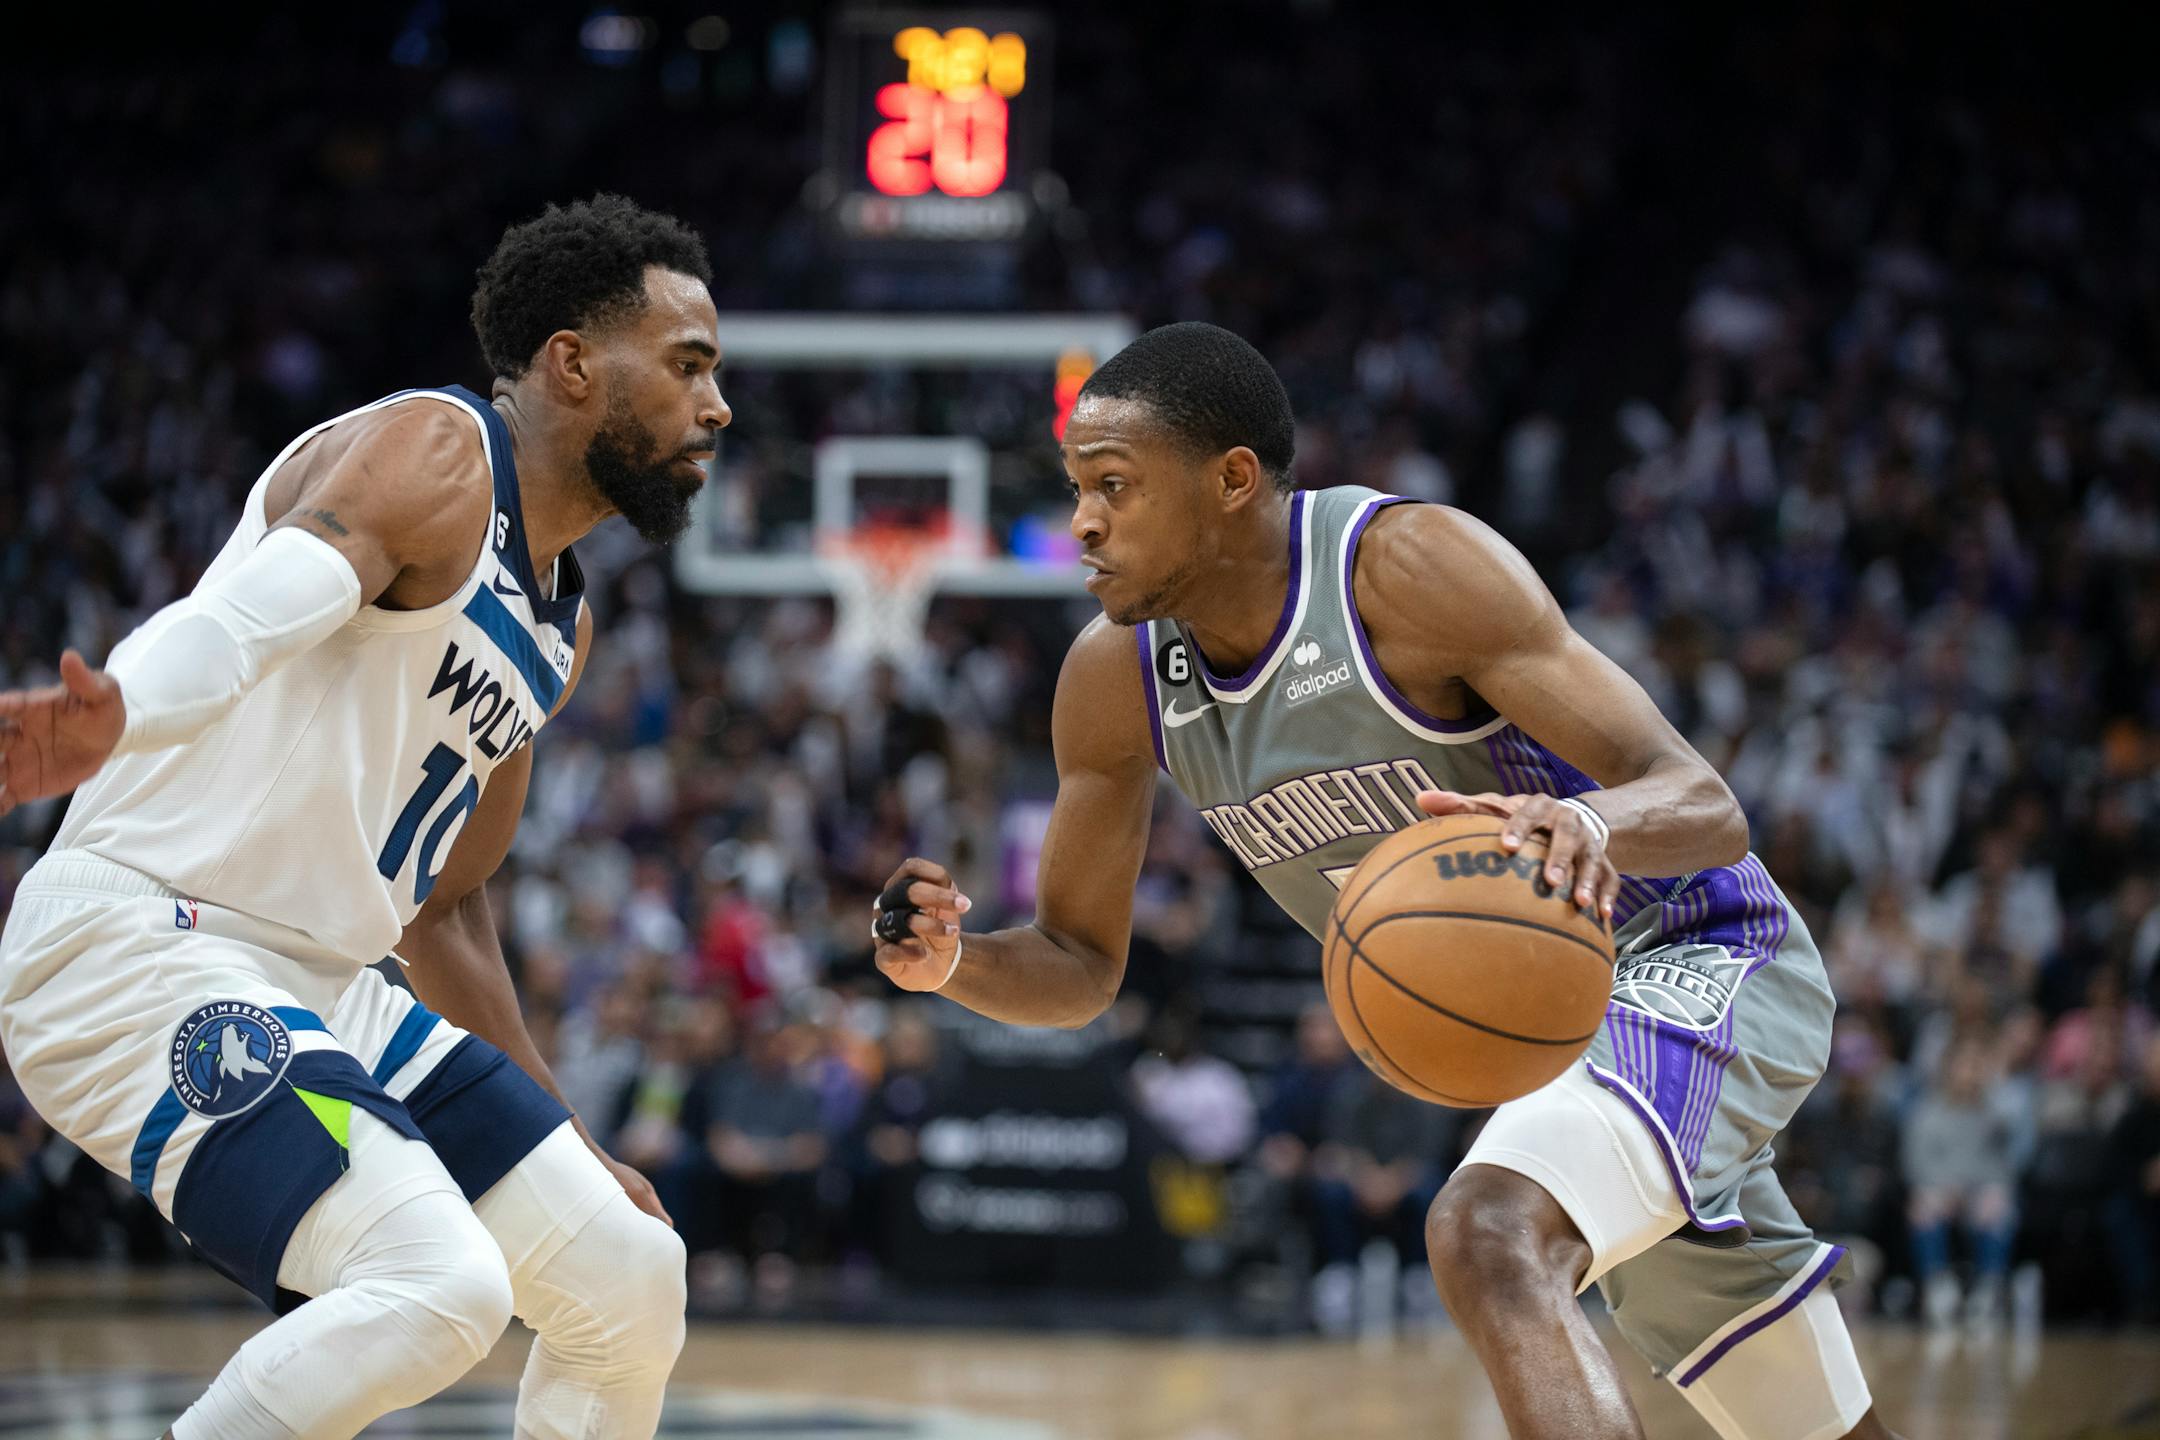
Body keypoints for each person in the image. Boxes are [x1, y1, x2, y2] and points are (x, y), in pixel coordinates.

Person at [871, 322, 1903, 1439]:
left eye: (1114, 486)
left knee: (1488, 1230)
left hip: (1701, 952)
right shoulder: (1114, 679)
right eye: (1076, 489)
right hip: (1563, 1036)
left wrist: (1577, 822)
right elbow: (1078, 967)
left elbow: (1702, 802)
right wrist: (958, 963)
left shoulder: (1404, 571)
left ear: (1231, 481)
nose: (1082, 521)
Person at [0, 194, 729, 1438]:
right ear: (570, 364)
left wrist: (564, 1134)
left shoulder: (560, 625)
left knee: (629, 1277)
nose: (716, 407)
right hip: (142, 943)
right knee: (436, 1288)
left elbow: (448, 908)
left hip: (329, 982)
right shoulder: (437, 450)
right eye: (687, 366)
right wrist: (119, 709)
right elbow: (245, 621)